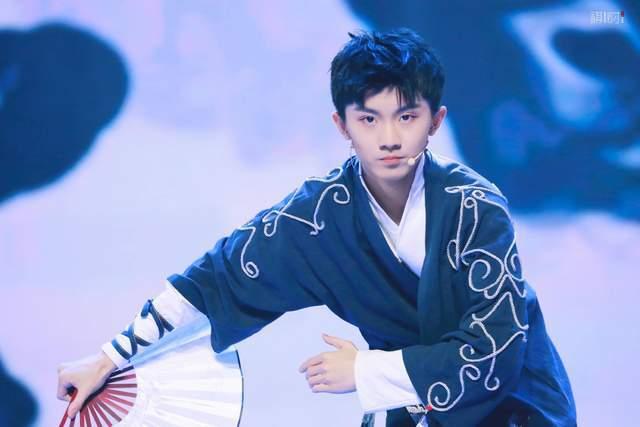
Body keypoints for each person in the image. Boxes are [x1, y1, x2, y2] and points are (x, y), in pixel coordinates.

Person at [57, 28, 576, 426]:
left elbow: (496, 350)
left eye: (406, 117)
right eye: (368, 119)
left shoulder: (476, 206)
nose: (389, 137)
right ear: (341, 125)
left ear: (435, 121)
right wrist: (107, 358)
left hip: (518, 405)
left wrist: (365, 372)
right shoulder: (318, 215)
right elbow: (218, 279)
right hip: (409, 407)